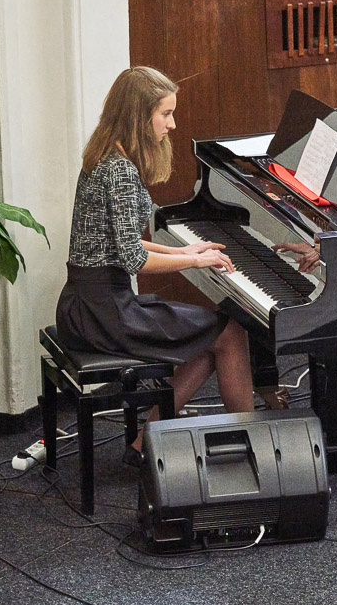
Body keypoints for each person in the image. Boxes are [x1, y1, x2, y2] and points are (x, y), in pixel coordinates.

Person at [55, 66, 256, 465]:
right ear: (138, 115)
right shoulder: (121, 171)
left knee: (207, 340)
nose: (172, 124)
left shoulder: (102, 157)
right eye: (165, 113)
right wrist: (194, 261)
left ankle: (143, 443)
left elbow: (121, 243)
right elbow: (133, 259)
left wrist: (186, 252)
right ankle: (253, 445)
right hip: (105, 313)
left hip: (84, 304)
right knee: (230, 334)